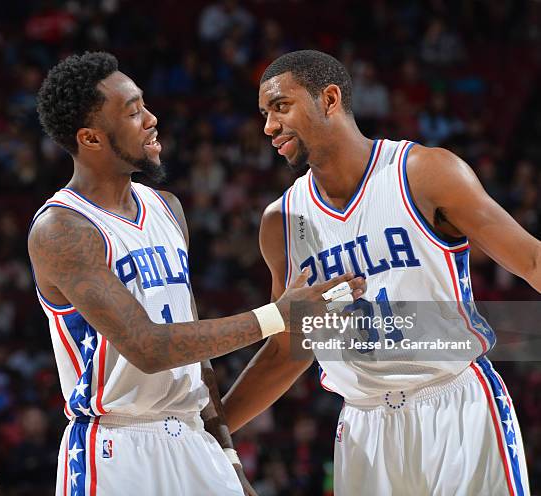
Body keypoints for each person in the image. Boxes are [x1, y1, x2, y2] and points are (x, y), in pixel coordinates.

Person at [29, 52, 364, 496]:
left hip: (192, 439)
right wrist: (278, 315)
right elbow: (148, 348)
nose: (151, 119)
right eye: (132, 112)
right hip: (117, 449)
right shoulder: (62, 229)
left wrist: (227, 459)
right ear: (90, 138)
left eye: (144, 104)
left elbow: (194, 354)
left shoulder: (167, 208)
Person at [223, 50, 539, 495]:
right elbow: (287, 350)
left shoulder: (423, 173)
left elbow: (531, 261)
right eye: (264, 114)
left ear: (329, 99)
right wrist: (211, 433)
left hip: (454, 405)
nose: (268, 128)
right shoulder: (282, 221)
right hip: (363, 425)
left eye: (280, 107)